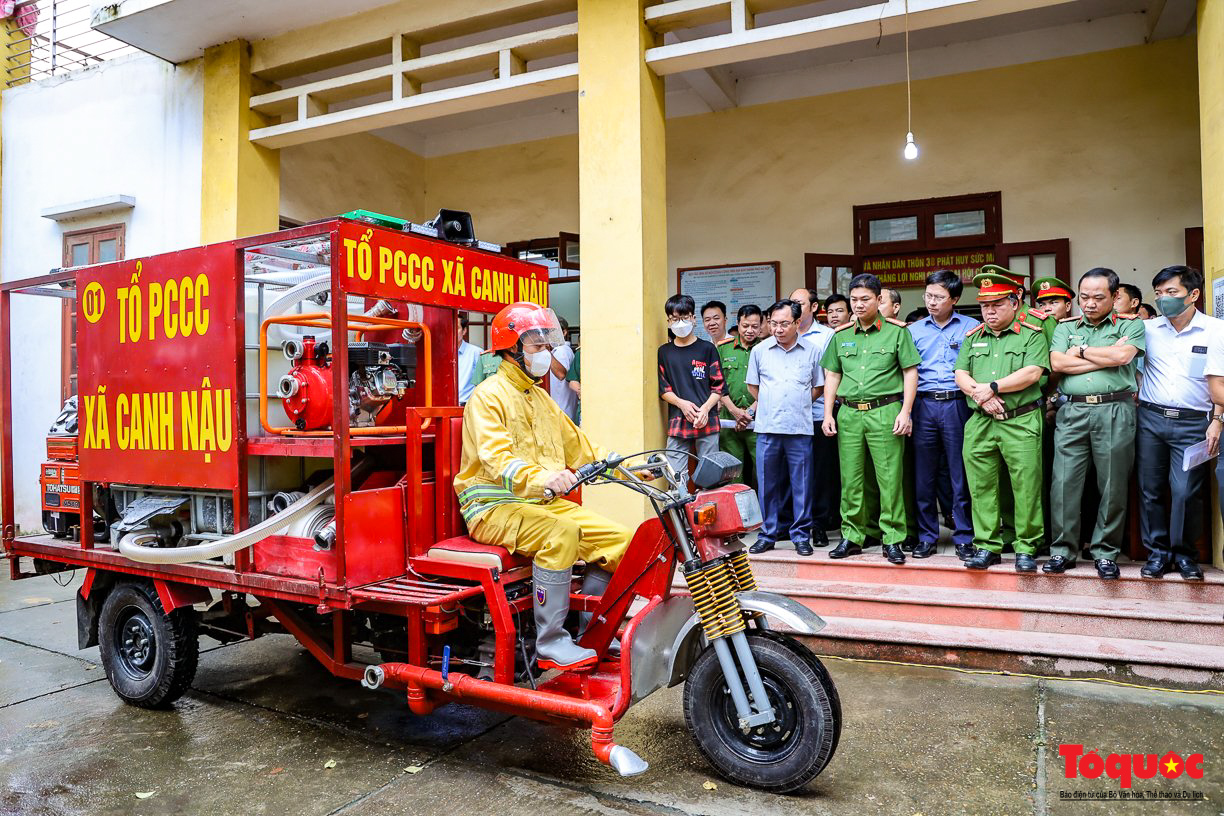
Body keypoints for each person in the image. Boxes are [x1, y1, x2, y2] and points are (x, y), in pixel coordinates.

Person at [456, 302, 631, 671]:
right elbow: (496, 459)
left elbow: (581, 447)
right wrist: (543, 478)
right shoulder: (488, 396)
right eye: (537, 347)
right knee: (561, 533)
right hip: (493, 507)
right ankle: (551, 641)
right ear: (512, 349)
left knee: (622, 541)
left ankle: (593, 634)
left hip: (541, 503)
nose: (545, 355)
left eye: (547, 347)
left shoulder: (541, 398)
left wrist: (628, 467)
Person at [1046, 268, 1145, 580]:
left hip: (1115, 409)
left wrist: (1084, 351)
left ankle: (1105, 552)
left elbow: (1122, 357)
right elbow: (1057, 363)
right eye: (1084, 297)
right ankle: (1063, 550)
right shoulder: (1065, 327)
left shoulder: (1133, 324)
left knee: (1113, 483)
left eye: (1098, 297)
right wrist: (1104, 356)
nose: (1088, 303)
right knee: (1063, 483)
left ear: (1115, 297)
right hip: (1072, 411)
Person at [821, 273, 920, 565]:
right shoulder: (841, 336)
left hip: (885, 410)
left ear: (879, 300)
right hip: (850, 413)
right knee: (851, 478)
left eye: (865, 299)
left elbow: (910, 372)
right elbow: (833, 374)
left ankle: (892, 538)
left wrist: (906, 411)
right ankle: (852, 536)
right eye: (854, 300)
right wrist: (828, 413)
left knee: (889, 478)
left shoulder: (897, 332)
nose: (859, 305)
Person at [955, 273, 1048, 571]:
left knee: (1026, 486)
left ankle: (1026, 546)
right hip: (981, 421)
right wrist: (982, 396)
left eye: (996, 304)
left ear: (1014, 302)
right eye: (984, 306)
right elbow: (961, 375)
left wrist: (993, 387)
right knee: (981, 486)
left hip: (1020, 420)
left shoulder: (1031, 333)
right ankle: (986, 545)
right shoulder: (973, 337)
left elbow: (1033, 372)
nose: (990, 311)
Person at [1138, 266, 1224, 581]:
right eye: (1159, 294)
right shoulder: (1146, 329)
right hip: (1150, 418)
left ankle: (1185, 555)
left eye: (1171, 292)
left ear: (1193, 294)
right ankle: (1158, 555)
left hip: (1193, 423)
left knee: (1186, 491)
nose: (1164, 300)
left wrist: (1217, 419)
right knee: (1151, 490)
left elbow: (1220, 382)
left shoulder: (1216, 330)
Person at [907, 270, 979, 560]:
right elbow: (906, 373)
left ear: (955, 299)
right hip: (923, 405)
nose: (932, 302)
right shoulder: (913, 331)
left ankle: (964, 535)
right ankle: (927, 536)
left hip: (956, 404)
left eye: (938, 297)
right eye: (928, 296)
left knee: (960, 472)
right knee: (923, 475)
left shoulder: (971, 328)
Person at [745, 300, 824, 556]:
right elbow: (753, 387)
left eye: (784, 324)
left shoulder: (812, 350)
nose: (778, 329)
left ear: (797, 323)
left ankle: (801, 536)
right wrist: (772, 403)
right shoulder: (760, 350)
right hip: (767, 428)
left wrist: (798, 402)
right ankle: (768, 534)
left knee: (802, 484)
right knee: (767, 484)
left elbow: (818, 386)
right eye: (774, 323)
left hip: (800, 429)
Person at [658, 294, 725, 486]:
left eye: (684, 317)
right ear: (668, 321)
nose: (680, 323)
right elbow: (664, 388)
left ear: (693, 318)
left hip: (707, 419)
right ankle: (680, 516)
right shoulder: (664, 352)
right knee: (675, 477)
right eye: (674, 319)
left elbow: (718, 386)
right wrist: (682, 404)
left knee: (711, 476)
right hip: (678, 420)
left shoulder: (707, 349)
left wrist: (704, 409)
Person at [717, 304, 762, 489]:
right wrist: (735, 411)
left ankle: (762, 515)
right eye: (745, 326)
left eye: (754, 326)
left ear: (761, 326)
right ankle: (738, 516)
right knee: (733, 473)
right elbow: (716, 383)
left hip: (759, 420)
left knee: (762, 471)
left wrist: (750, 411)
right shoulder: (723, 349)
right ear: (737, 324)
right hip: (729, 421)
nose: (750, 330)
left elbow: (770, 385)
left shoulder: (767, 348)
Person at [548, 317, 578, 421]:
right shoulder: (562, 350)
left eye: (552, 331)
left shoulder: (561, 351)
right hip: (563, 411)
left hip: (561, 410)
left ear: (564, 332)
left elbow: (561, 374)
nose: (549, 336)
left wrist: (546, 352)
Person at [457, 313, 484, 405]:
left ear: (464, 331)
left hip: (467, 406)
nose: (451, 331)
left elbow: (484, 382)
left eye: (456, 328)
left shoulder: (476, 353)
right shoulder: (439, 352)